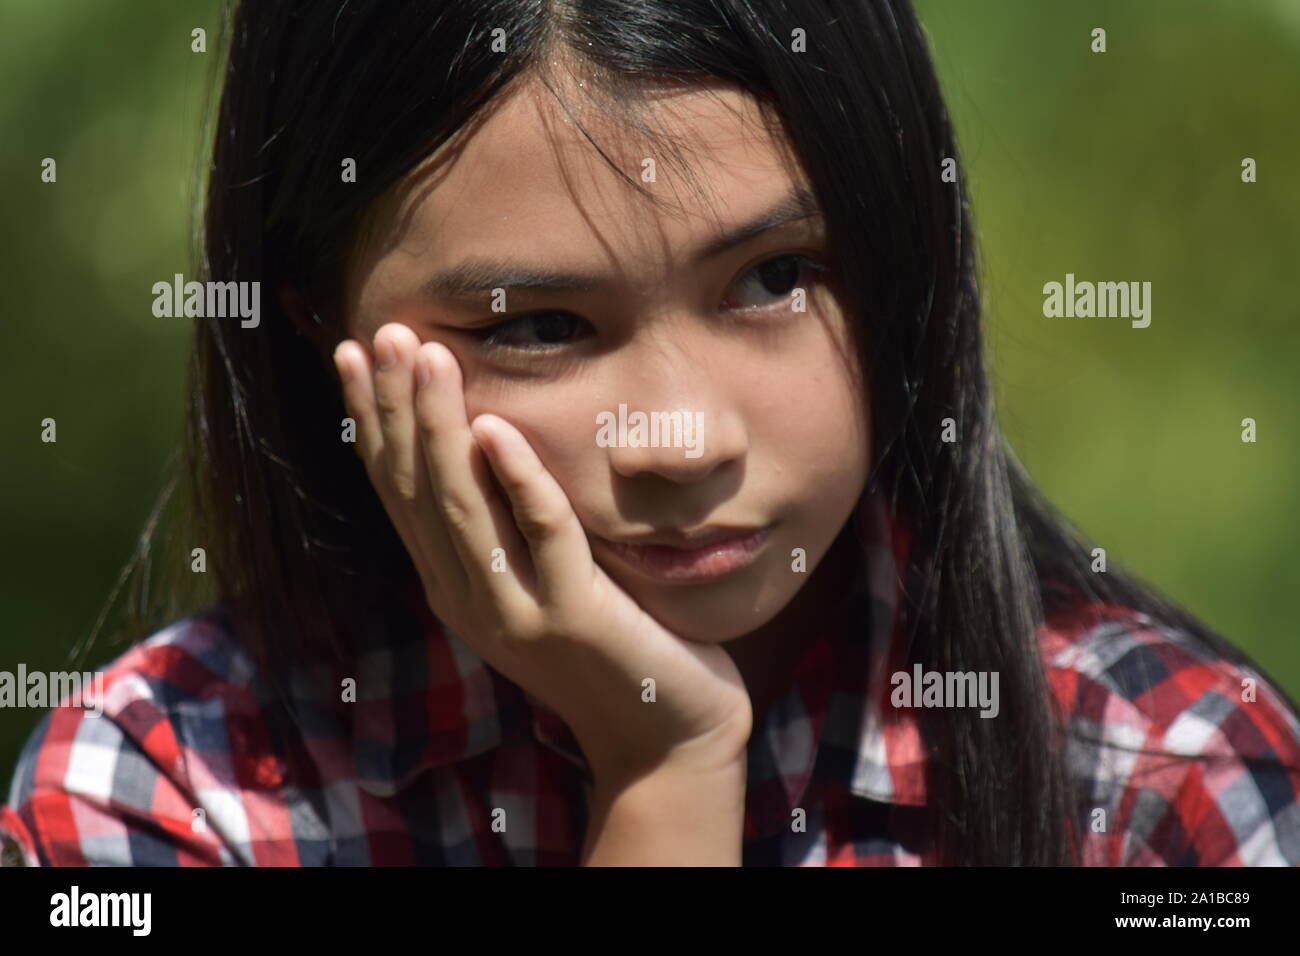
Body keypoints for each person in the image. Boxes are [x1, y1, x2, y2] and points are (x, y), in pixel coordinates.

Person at [3, 0, 1298, 866]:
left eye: (777, 277)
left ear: (906, 254)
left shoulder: (1158, 782)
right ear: (315, 328)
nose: (679, 436)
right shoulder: (170, 787)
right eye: (539, 325)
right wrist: (665, 764)